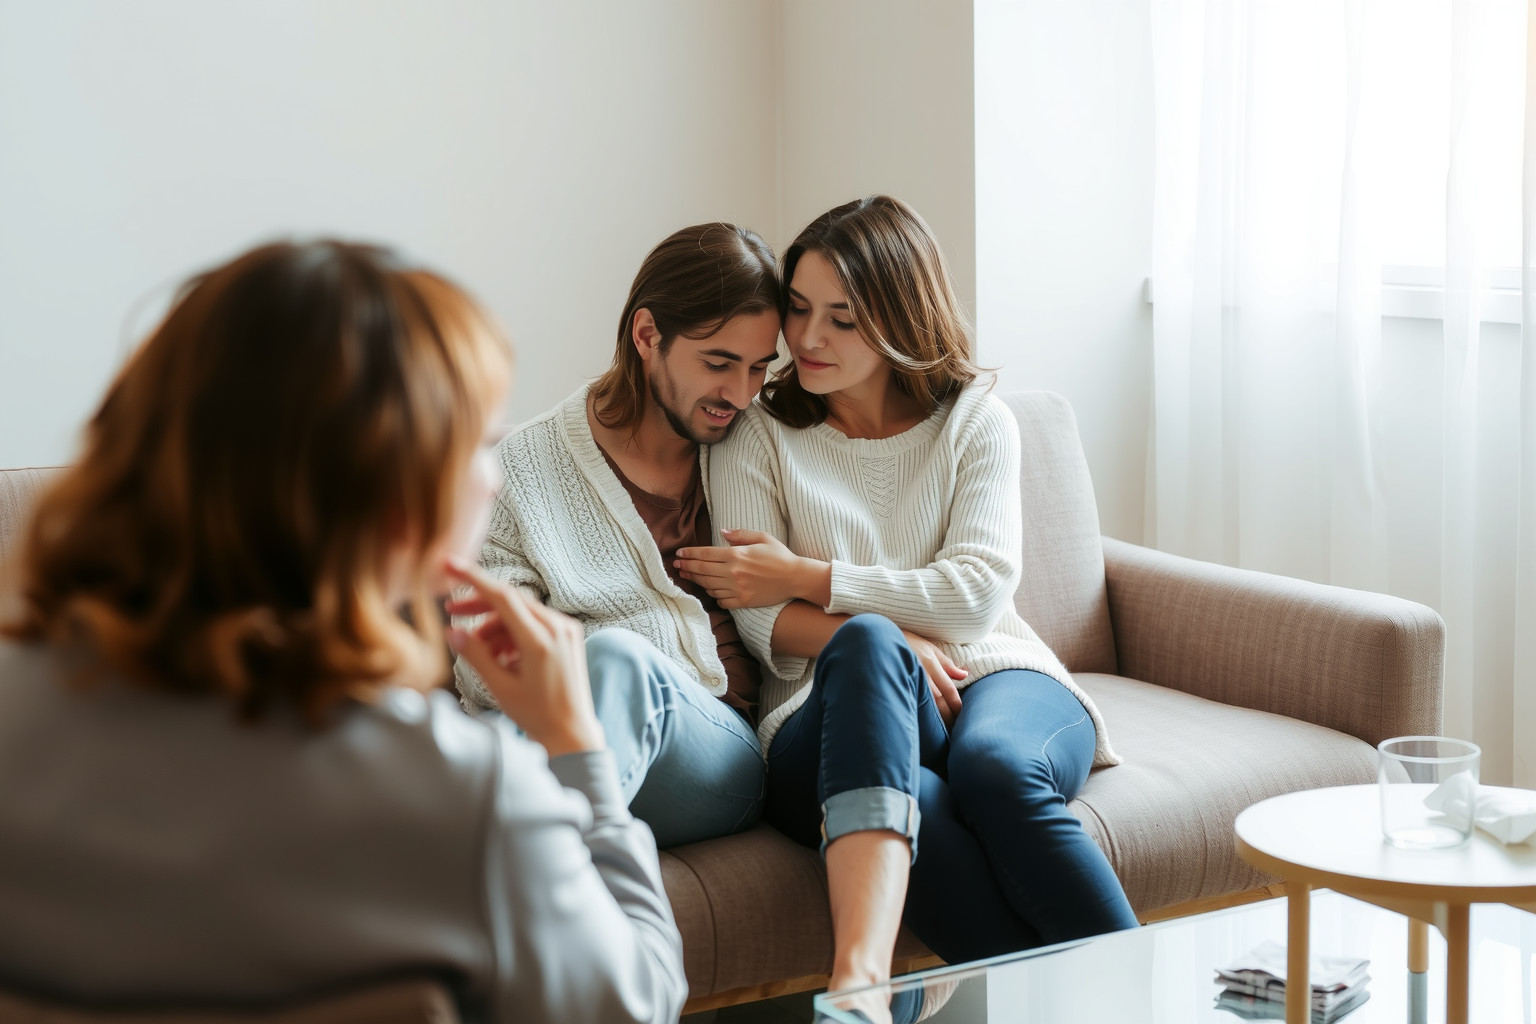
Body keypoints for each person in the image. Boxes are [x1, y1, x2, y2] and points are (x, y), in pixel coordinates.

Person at [0, 241, 685, 1024]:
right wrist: (575, 746)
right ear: (399, 498)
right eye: (479, 445)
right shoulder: (472, 799)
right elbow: (636, 1005)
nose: (494, 478)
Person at [680, 196, 1139, 1022]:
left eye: (843, 319)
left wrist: (808, 574)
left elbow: (975, 598)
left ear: (900, 317)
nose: (807, 338)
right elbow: (757, 617)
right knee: (885, 706)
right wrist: (888, 641)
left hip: (996, 673)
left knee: (996, 771)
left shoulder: (976, 423)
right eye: (798, 308)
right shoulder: (759, 434)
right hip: (826, 707)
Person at [453, 222, 780, 849]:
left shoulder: (761, 444)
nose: (740, 395)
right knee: (595, 676)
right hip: (571, 735)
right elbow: (484, 668)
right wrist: (597, 673)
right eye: (718, 363)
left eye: (759, 368)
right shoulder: (522, 468)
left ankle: (526, 856)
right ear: (647, 335)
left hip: (720, 754)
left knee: (622, 661)